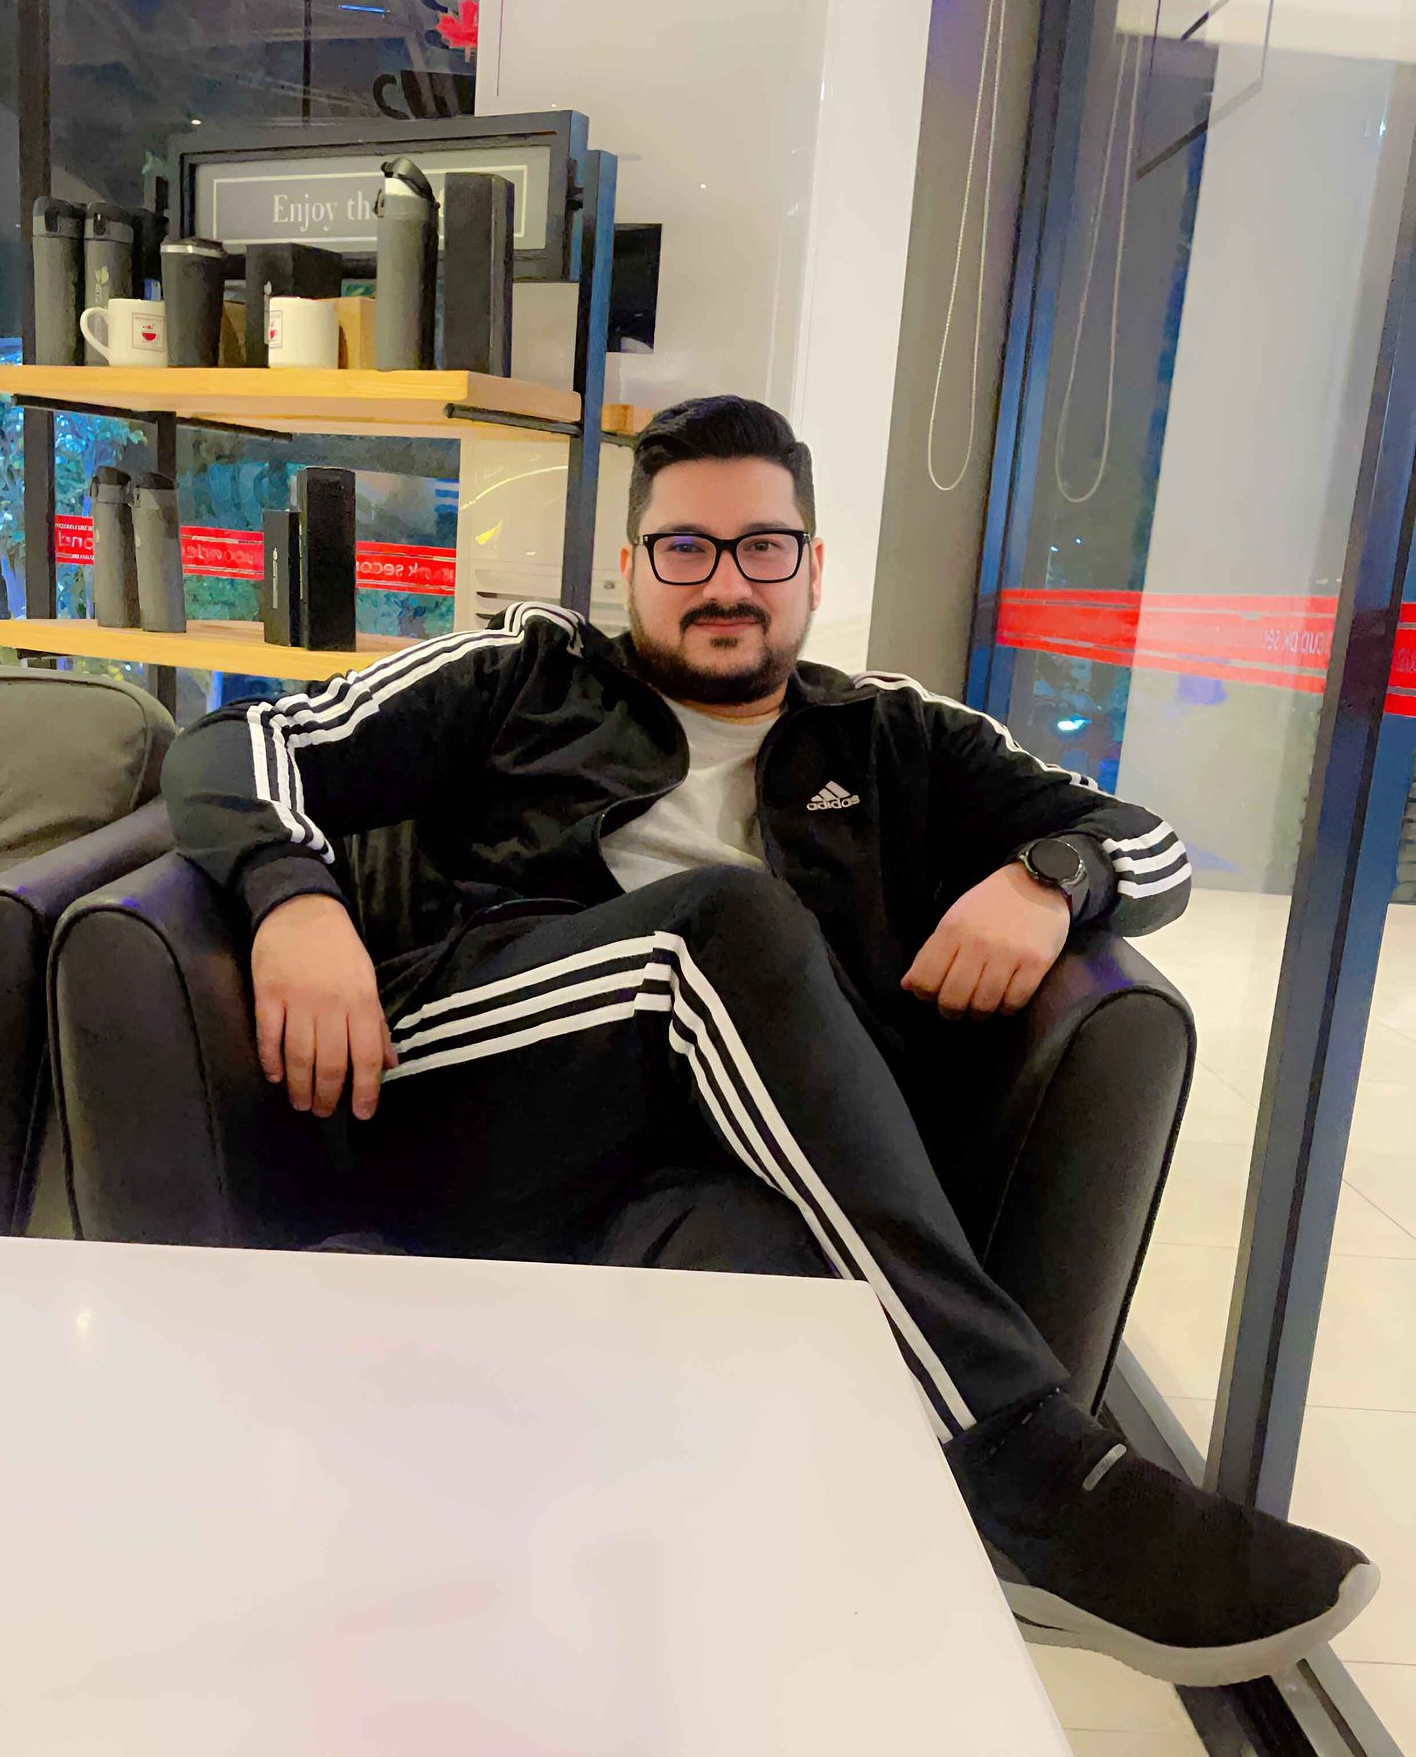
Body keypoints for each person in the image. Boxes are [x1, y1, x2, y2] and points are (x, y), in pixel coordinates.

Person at [162, 395, 1376, 1687]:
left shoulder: (895, 734)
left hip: (716, 1164)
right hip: (476, 1094)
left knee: (772, 1284)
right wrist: (292, 900)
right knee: (721, 928)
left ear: (810, 567)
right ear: (631, 566)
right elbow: (243, 742)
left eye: (762, 547)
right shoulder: (524, 675)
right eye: (685, 548)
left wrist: (1050, 877)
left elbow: (1148, 843)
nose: (725, 582)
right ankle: (1034, 1472)